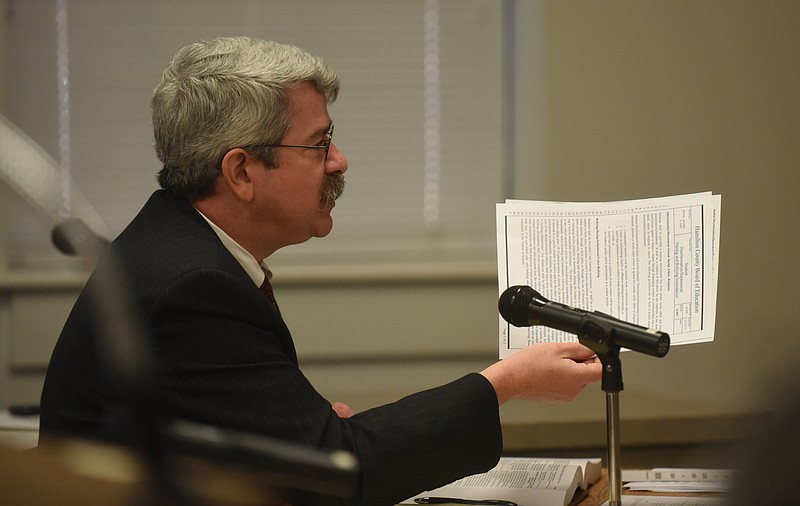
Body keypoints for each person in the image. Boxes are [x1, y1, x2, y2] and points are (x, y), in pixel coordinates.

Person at [39, 37, 602, 505]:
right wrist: (506, 383)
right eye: (319, 143)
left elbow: (225, 444)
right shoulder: (195, 285)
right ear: (241, 171)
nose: (339, 160)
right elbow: (340, 474)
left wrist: (286, 429)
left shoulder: (169, 243)